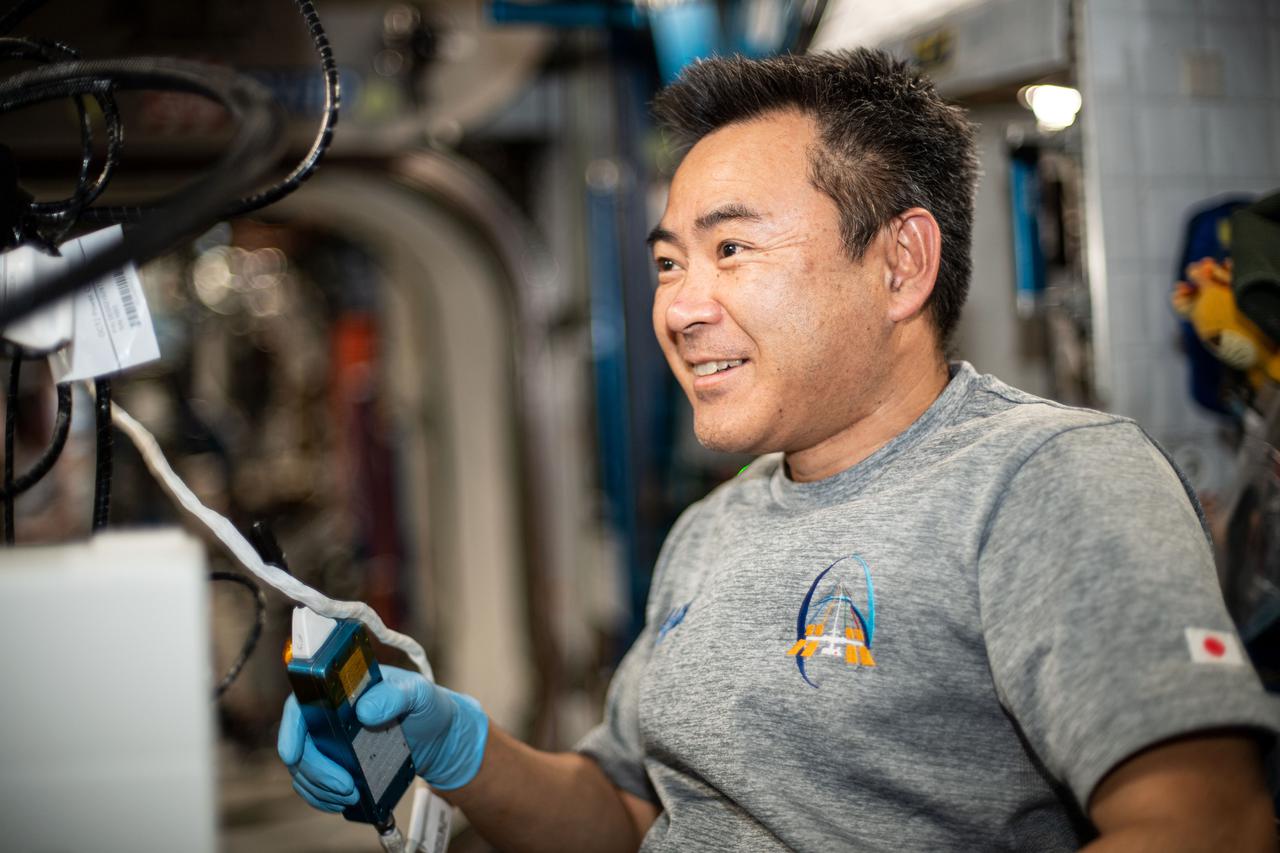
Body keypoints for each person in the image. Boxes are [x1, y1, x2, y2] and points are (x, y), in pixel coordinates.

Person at [277, 49, 1280, 851]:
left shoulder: (1043, 481)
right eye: (668, 261)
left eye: (730, 249)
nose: (678, 304)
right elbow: (631, 815)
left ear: (899, 263)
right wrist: (459, 750)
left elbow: (1204, 823)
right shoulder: (711, 530)